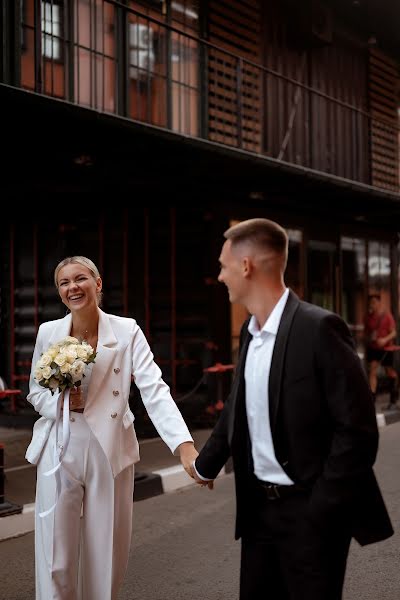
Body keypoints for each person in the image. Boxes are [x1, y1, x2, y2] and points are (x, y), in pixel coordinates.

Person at [193, 218, 393, 600]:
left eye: (223, 266)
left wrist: (321, 509)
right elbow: (239, 406)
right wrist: (206, 463)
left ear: (247, 266)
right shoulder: (248, 333)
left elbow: (358, 430)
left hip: (310, 513)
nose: (220, 276)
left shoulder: (320, 329)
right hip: (257, 517)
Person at [25, 256, 198, 600]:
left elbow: (154, 388)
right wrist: (61, 403)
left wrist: (183, 445)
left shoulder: (127, 330)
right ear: (59, 292)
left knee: (104, 552)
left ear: (98, 283)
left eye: (81, 278)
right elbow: (35, 391)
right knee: (54, 556)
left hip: (109, 448)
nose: (73, 287)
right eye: (64, 282)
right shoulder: (48, 333)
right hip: (59, 445)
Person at [364, 293, 398, 407]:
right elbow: (366, 333)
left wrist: (384, 339)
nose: (372, 305)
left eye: (374, 302)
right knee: (372, 371)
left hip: (386, 348)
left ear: (379, 303)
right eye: (370, 302)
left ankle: (393, 396)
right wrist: (369, 338)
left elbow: (394, 333)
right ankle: (372, 399)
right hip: (374, 348)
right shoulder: (367, 317)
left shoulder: (387, 316)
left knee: (389, 372)